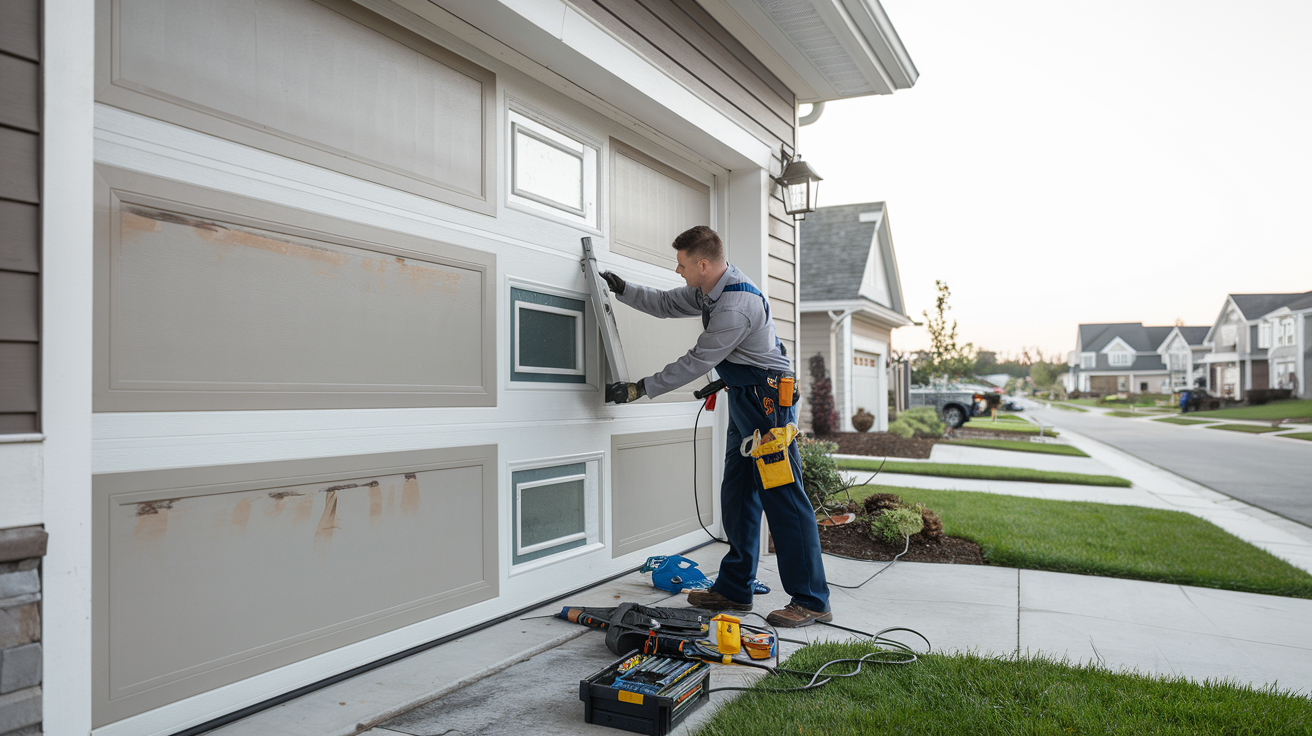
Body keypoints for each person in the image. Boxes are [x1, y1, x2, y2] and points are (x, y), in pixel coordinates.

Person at [600, 226, 831, 628]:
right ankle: (735, 588)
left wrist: (642, 388)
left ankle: (811, 598)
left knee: (783, 498)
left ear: (703, 264)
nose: (678, 270)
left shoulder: (735, 305)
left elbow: (697, 360)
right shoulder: (712, 289)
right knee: (738, 494)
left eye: (683, 263)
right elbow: (665, 303)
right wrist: (623, 289)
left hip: (767, 407)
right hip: (746, 399)